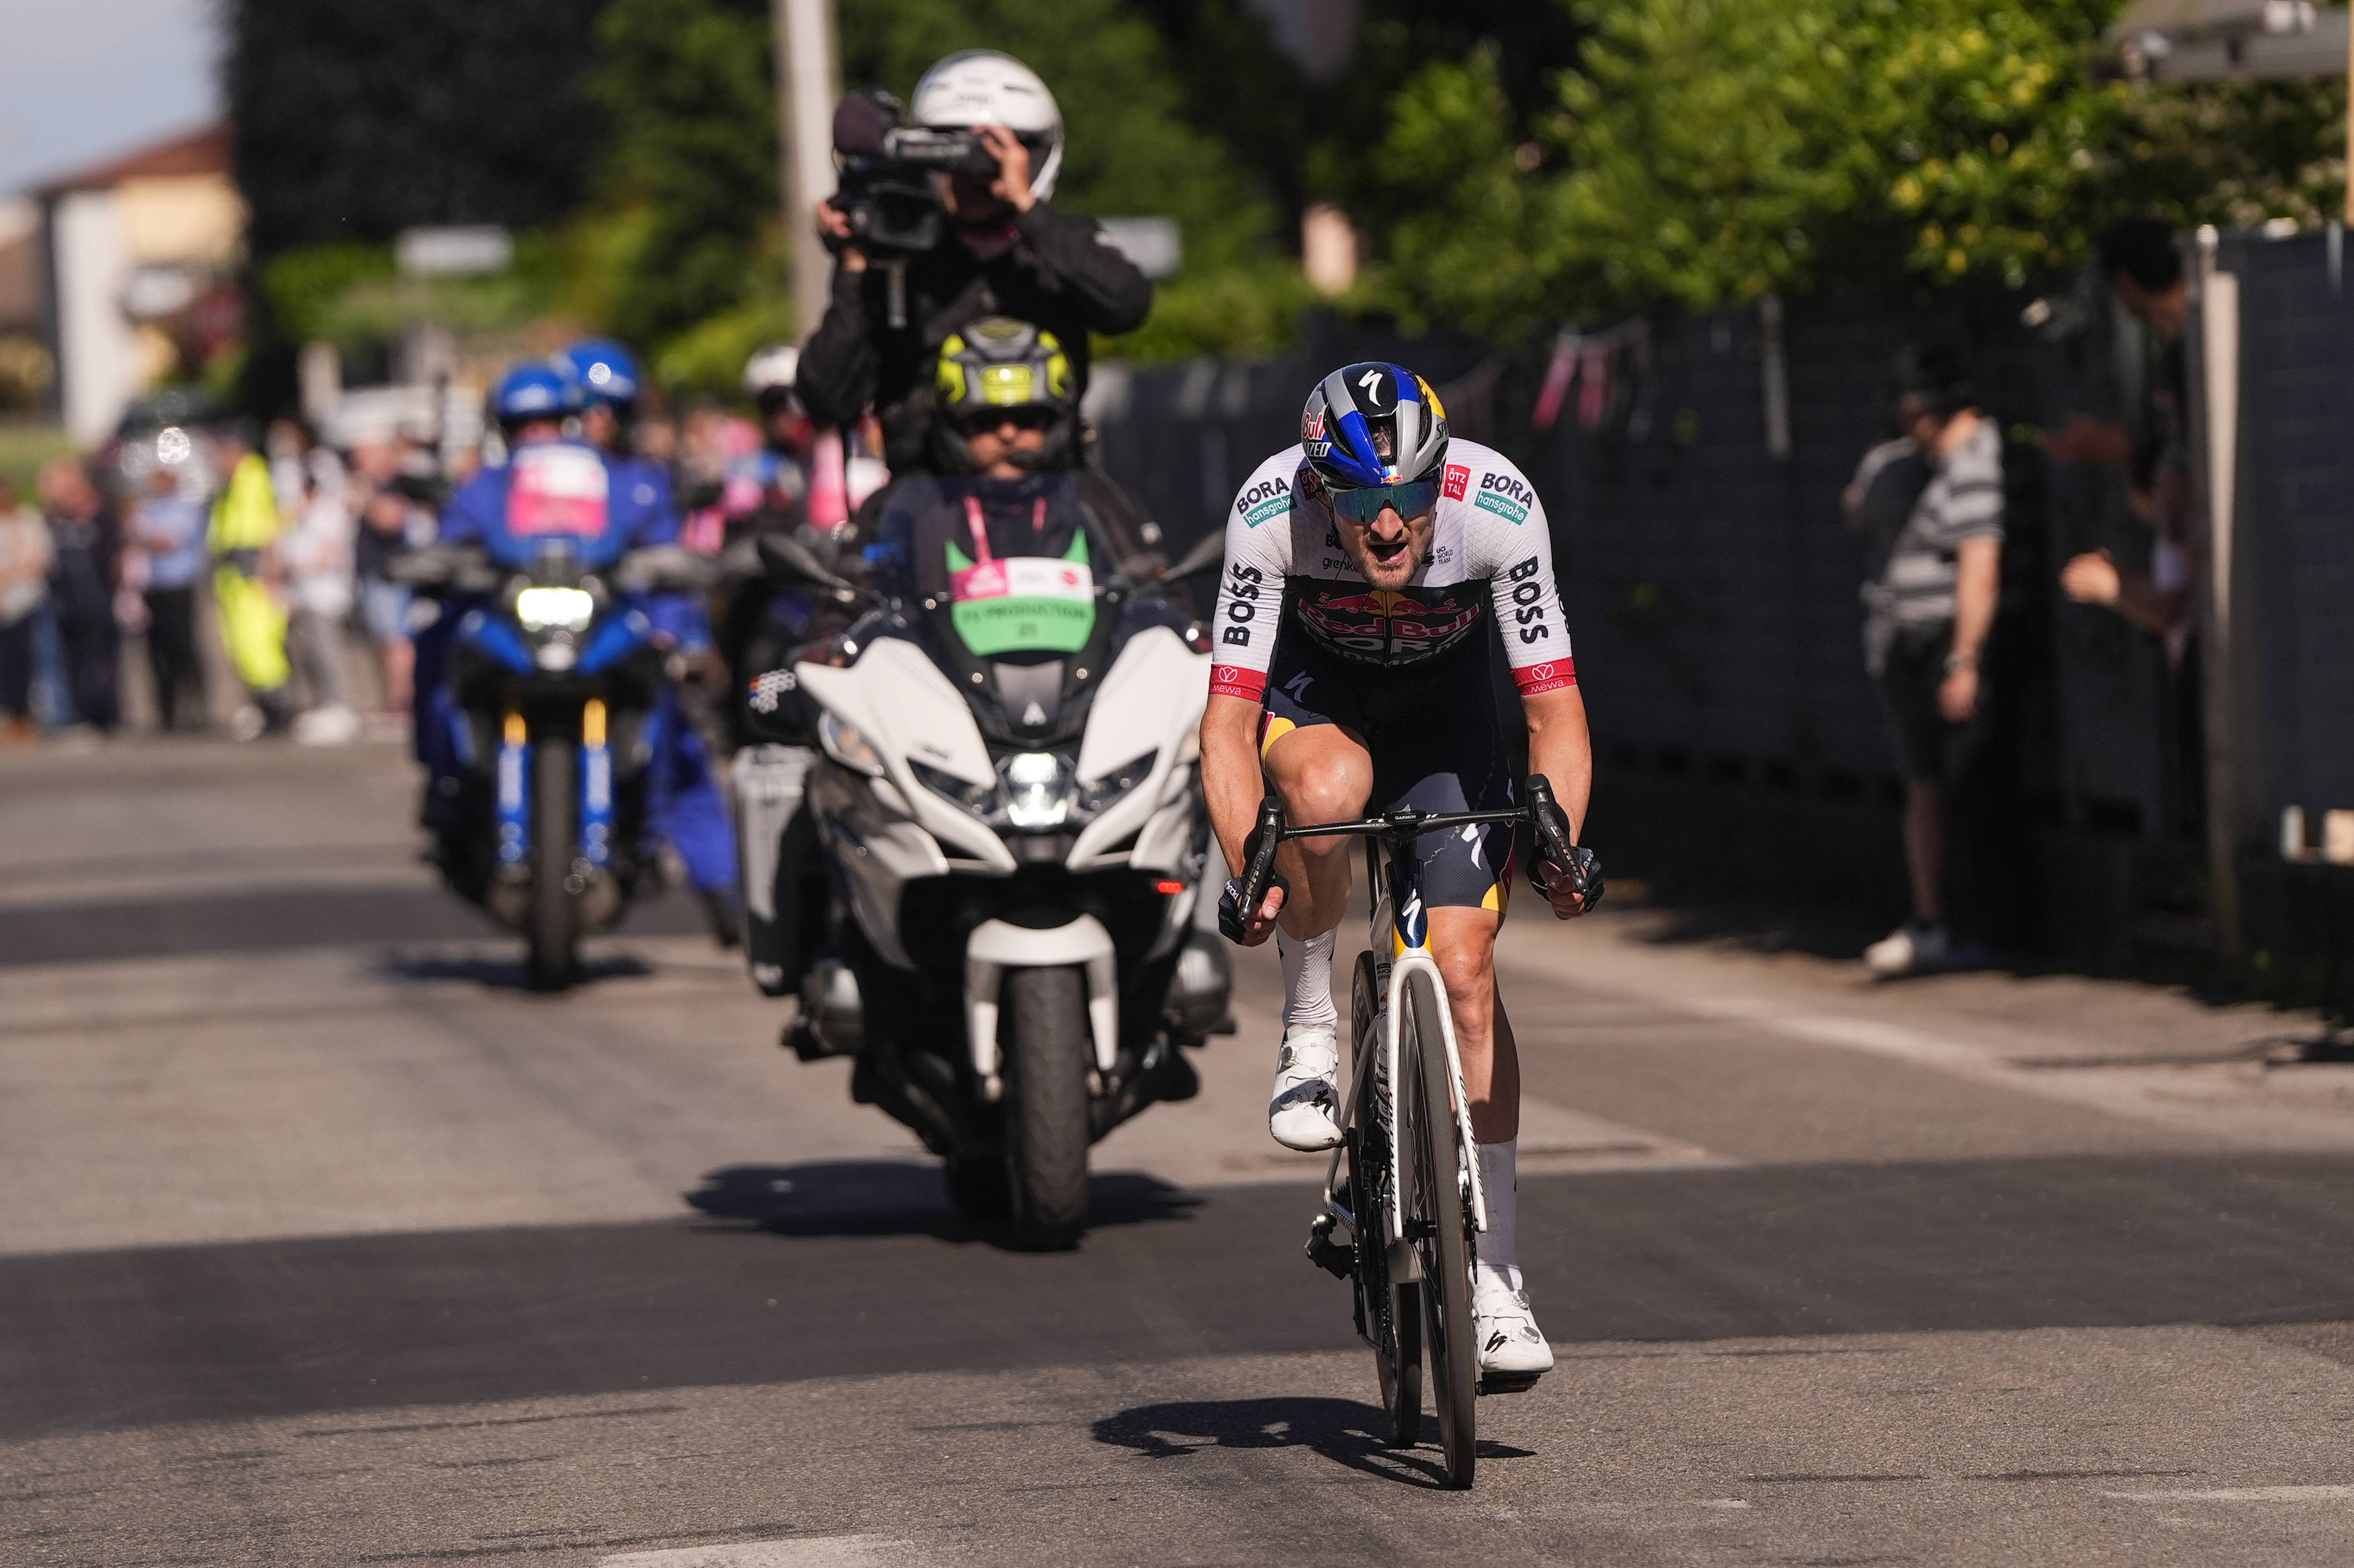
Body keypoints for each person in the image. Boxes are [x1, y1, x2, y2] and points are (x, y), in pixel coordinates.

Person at [1201, 362, 1599, 1388]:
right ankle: (1310, 1028)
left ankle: (1498, 1280)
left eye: (1412, 495)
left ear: (1443, 477)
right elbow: (1228, 725)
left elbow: (1553, 710)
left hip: (1444, 721)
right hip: (1318, 700)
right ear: (1318, 486)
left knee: (1465, 970)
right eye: (1360, 500)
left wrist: (1559, 844)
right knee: (1328, 791)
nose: (1388, 526)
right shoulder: (1269, 510)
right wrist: (1249, 869)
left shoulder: (1498, 507)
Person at [426, 362, 741, 941]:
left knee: (675, 735)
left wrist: (673, 627)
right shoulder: (488, 486)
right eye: (524, 425)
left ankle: (723, 890)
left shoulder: (621, 481)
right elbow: (449, 547)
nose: (538, 436)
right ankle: (450, 809)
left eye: (549, 422)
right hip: (514, 634)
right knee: (443, 686)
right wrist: (434, 567)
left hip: (600, 635)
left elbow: (663, 554)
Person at [798, 50, 1152, 475]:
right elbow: (825, 397)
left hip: (1053, 487)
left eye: (994, 152)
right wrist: (854, 265)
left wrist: (1026, 208)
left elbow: (1126, 305)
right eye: (949, 150)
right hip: (928, 495)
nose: (971, 174)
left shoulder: (1059, 245)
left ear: (1034, 154)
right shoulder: (900, 258)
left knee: (1125, 522)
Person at [1849, 345, 2003, 977]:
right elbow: (1854, 507)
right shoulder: (1910, 463)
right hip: (1903, 640)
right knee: (1926, 786)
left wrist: (1963, 660)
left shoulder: (1974, 460)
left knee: (1967, 787)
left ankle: (1976, 928)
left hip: (1947, 644)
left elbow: (1980, 567)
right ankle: (1932, 922)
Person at [208, 426, 294, 739]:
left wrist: (270, 568)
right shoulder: (234, 482)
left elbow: (271, 525)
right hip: (234, 573)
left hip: (252, 570)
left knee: (259, 641)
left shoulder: (254, 476)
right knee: (243, 644)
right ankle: (265, 706)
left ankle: (278, 707)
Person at [127, 449, 211, 732]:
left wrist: (144, 539)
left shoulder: (185, 508)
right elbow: (134, 535)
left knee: (184, 649)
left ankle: (197, 710)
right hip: (155, 589)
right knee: (157, 653)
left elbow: (166, 542)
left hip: (180, 588)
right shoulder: (149, 509)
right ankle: (167, 713)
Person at [39, 458, 121, 736]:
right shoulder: (51, 521)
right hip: (65, 604)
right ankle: (79, 713)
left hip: (97, 600)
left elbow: (115, 558)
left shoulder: (101, 516)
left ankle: (108, 714)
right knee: (71, 661)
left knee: (104, 661)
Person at [0, 475, 52, 742]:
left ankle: (28, 719)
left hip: (25, 604)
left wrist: (8, 576)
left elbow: (37, 560)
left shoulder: (27, 520)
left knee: (29, 663)